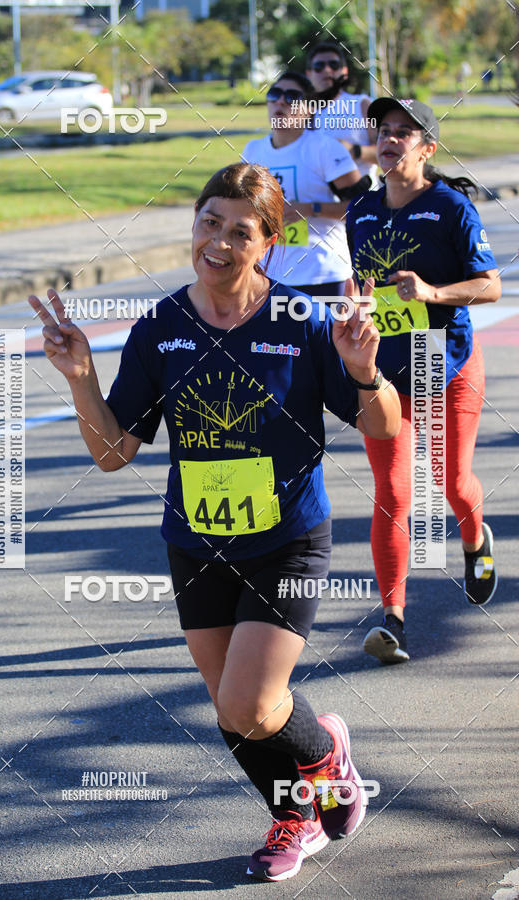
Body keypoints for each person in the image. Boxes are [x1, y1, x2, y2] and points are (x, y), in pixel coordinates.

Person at [29, 162, 401, 881]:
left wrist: (362, 369)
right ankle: (294, 816)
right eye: (209, 223)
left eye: (241, 231)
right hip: (195, 544)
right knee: (235, 714)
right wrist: (79, 378)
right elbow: (115, 453)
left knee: (251, 703)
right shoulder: (161, 325)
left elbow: (381, 425)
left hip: (288, 538)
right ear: (193, 224)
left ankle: (325, 751)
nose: (220, 243)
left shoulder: (301, 319)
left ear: (269, 242)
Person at [345, 98, 501, 664]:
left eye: (403, 133)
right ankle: (393, 620)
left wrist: (433, 294)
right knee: (392, 494)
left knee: (451, 480)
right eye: (382, 131)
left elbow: (490, 286)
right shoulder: (359, 211)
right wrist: (355, 306)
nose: (389, 140)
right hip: (384, 374)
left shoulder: (452, 207)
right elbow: (360, 283)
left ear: (427, 148)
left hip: (445, 364)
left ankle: (475, 538)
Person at [242, 72, 366, 296]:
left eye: (292, 96)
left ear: (310, 108)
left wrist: (311, 209)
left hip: (324, 274)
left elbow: (363, 208)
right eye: (275, 94)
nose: (280, 101)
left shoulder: (324, 149)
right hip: (271, 276)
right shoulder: (253, 150)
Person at [305, 42, 378, 186]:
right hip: (319, 201)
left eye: (334, 65)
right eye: (319, 66)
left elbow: (388, 154)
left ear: (344, 72)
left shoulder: (362, 104)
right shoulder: (303, 111)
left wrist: (354, 150)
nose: (327, 70)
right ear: (309, 74)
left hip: (360, 199)